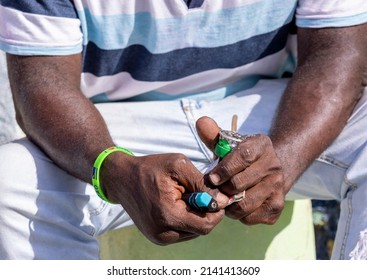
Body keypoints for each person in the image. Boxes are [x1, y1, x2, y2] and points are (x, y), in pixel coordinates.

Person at [0, 0, 367, 260]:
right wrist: (115, 170)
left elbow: (337, 54)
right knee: (8, 182)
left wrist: (281, 163)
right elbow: (42, 84)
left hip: (272, 125)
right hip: (113, 132)